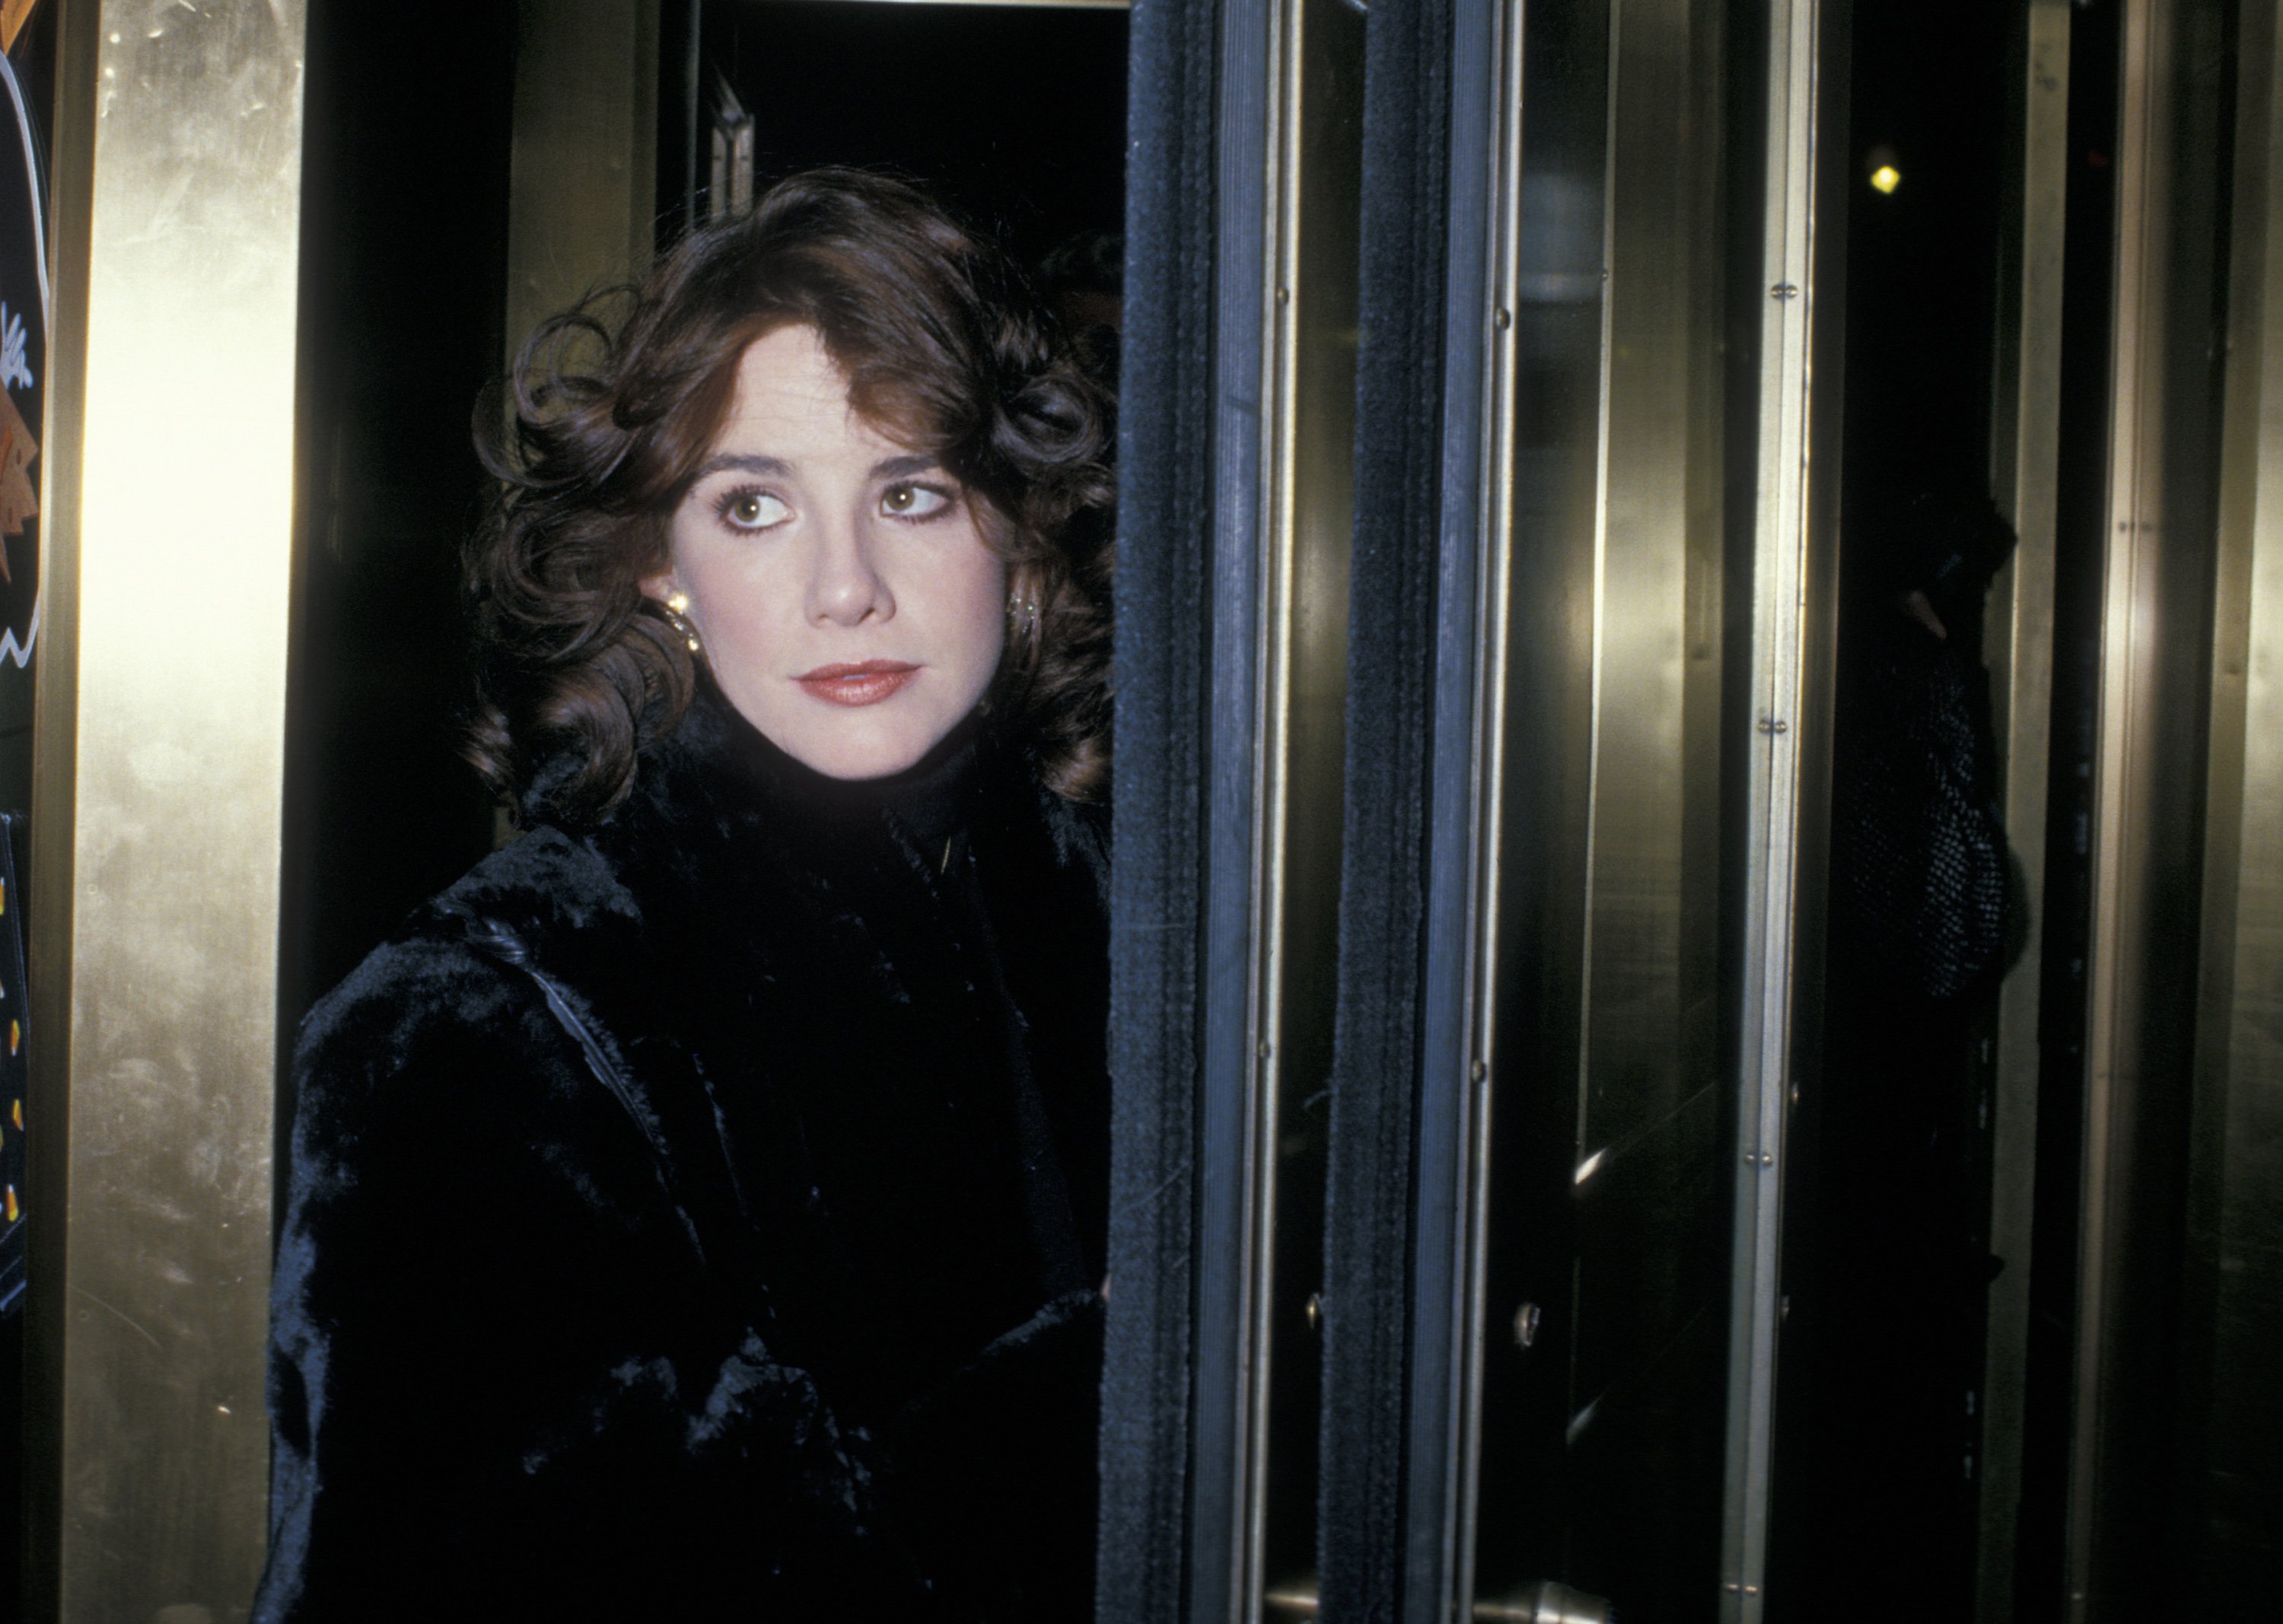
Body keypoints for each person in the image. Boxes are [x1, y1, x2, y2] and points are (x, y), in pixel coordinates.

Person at [251, 169, 1116, 1622]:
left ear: (1013, 531)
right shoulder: (488, 1019)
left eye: (911, 491)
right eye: (756, 504)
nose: (847, 587)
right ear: (663, 566)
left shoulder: (1111, 917)